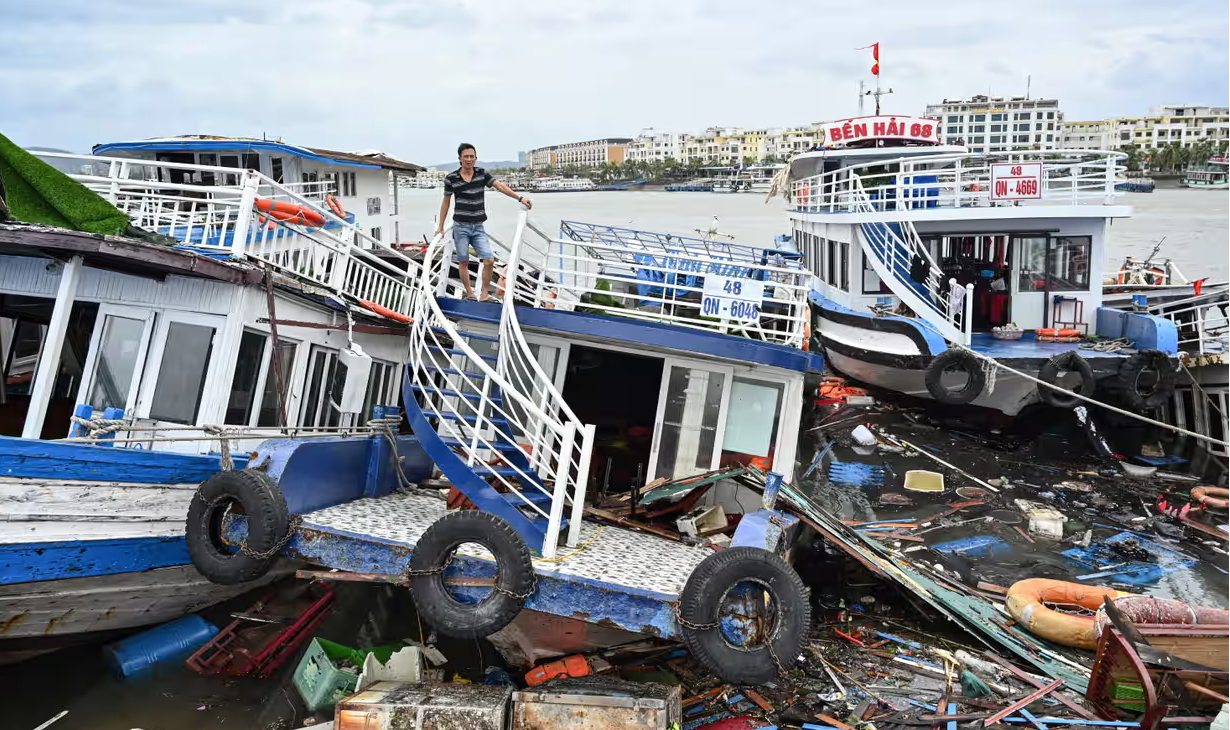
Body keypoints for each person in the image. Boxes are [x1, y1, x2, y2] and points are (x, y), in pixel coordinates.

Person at [436, 143, 533, 302]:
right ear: (459, 158)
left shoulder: (482, 174)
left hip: (478, 226)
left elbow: (500, 186)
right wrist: (440, 226)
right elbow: (446, 202)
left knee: (489, 260)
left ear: (476, 158)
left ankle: (484, 294)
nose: (469, 159)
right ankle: (469, 293)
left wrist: (520, 198)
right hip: (460, 226)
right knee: (463, 261)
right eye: (465, 156)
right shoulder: (451, 178)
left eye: (471, 156)